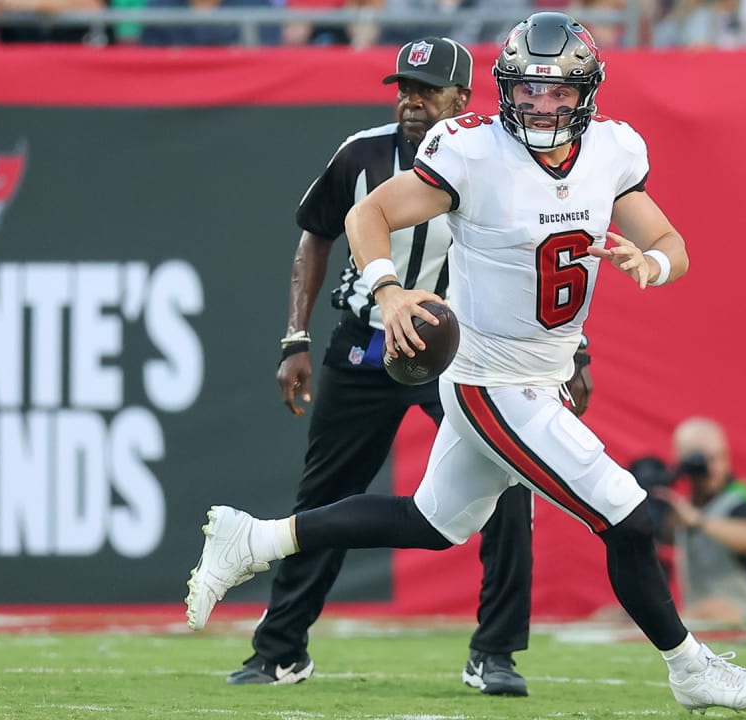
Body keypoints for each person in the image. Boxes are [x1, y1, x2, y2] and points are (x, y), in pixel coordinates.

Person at [185, 12, 746, 713]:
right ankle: (690, 668)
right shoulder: (472, 151)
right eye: (527, 89)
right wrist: (388, 289)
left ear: (587, 91)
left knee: (432, 523)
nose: (541, 105)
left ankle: (254, 539)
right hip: (491, 381)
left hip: (543, 377)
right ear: (504, 89)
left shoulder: (613, 150)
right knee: (628, 517)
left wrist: (648, 262)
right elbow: (364, 218)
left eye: (558, 91)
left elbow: (672, 243)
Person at [239, 36, 576, 696]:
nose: (411, 101)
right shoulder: (363, 153)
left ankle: (494, 652)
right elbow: (317, 233)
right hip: (368, 343)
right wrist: (294, 337)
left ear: (463, 98)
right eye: (404, 87)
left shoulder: (502, 163)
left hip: (467, 352)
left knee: (508, 489)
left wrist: (575, 351)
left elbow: (544, 252)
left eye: (427, 90)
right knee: (325, 498)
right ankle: (280, 649)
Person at [652, 417, 746, 624]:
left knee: (712, 610)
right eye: (703, 460)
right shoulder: (684, 509)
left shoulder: (743, 498)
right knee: (620, 614)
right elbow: (661, 536)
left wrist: (699, 521)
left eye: (719, 457)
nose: (713, 468)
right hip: (707, 620)